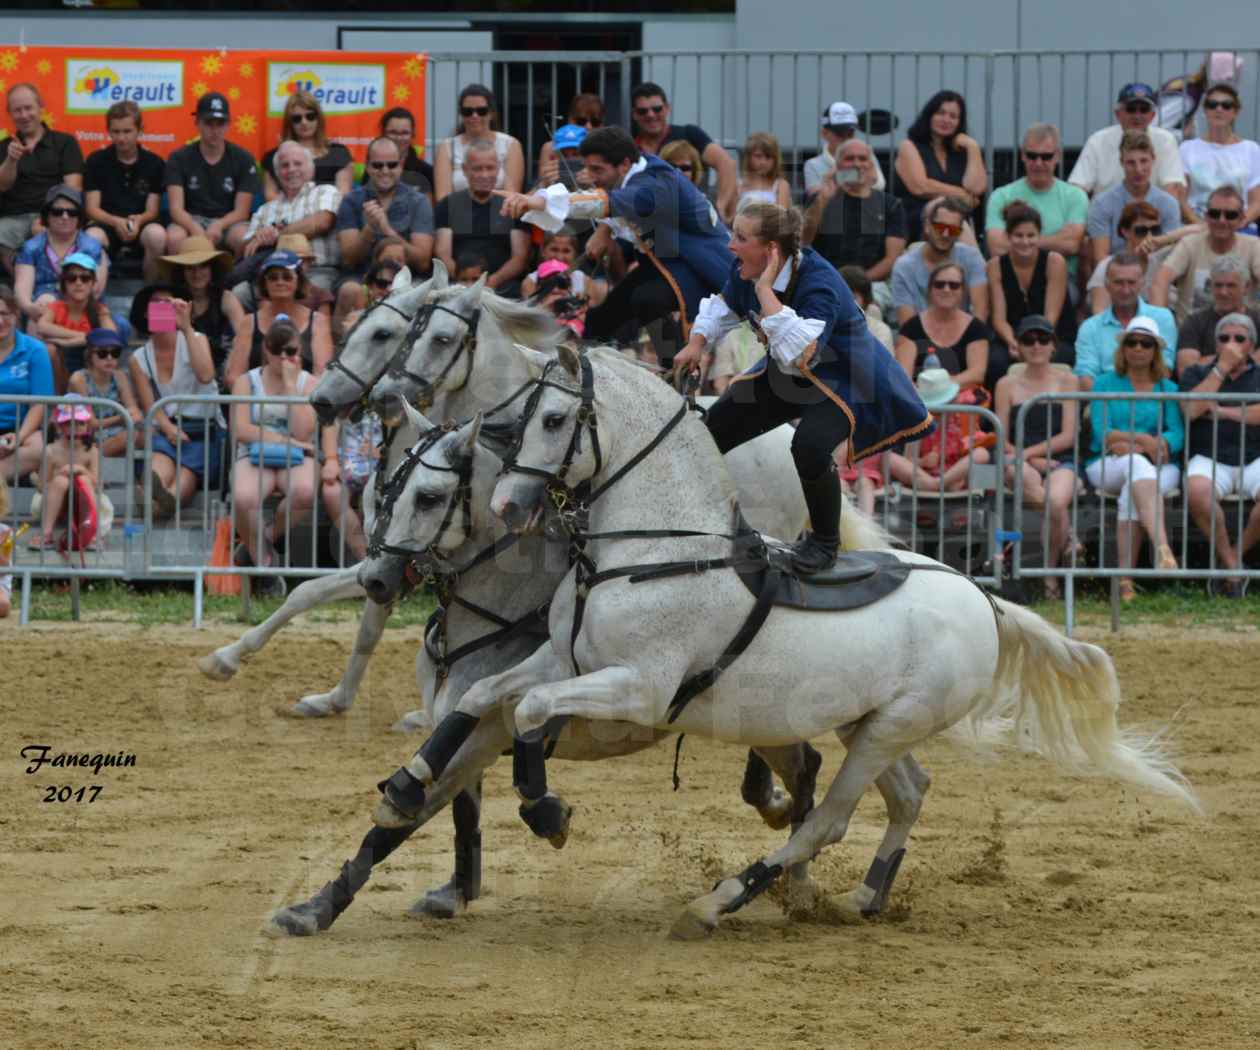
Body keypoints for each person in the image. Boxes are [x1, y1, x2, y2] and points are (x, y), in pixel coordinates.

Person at [672, 202, 932, 573]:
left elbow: (801, 350)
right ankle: (708, 527)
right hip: (788, 375)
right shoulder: (743, 268)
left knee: (809, 447)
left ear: (771, 249)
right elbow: (724, 306)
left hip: (844, 380)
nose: (730, 246)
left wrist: (765, 290)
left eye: (741, 238)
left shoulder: (818, 281)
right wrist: (697, 343)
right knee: (708, 434)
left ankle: (826, 543)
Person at [500, 126, 734, 365]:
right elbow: (616, 202)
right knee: (601, 319)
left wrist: (539, 201)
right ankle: (579, 375)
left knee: (647, 299)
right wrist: (605, 230)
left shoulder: (652, 185)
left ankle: (677, 372)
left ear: (623, 164)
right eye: (588, 168)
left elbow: (608, 203)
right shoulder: (637, 169)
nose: (591, 176)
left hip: (697, 265)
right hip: (665, 262)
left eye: (597, 169)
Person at [1084, 315, 1183, 601]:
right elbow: (1104, 434)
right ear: (1123, 347)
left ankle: (1124, 582)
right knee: (1137, 465)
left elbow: (1177, 433)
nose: (1138, 348)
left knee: (1135, 483)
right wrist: (1147, 442)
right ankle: (1162, 547)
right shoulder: (1103, 384)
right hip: (1106, 463)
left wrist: (1155, 444)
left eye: (1146, 343)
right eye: (1132, 342)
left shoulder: (1169, 389)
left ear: (1155, 351)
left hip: (1158, 465)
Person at [230, 317, 318, 597]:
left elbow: (304, 430)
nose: (283, 357)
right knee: (244, 498)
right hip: (254, 453)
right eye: (276, 349)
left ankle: (265, 539)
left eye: (290, 351)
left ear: (299, 352)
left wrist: (291, 386)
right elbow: (242, 430)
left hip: (296, 456)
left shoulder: (309, 383)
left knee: (304, 492)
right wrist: (286, 440)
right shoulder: (246, 382)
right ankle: (265, 565)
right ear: (265, 349)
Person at [994, 315, 1081, 597]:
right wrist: (1029, 459)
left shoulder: (1068, 381)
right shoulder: (1006, 384)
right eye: (1028, 340)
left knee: (1056, 502)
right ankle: (1068, 540)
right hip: (1020, 460)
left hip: (1060, 458)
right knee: (1024, 479)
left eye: (1043, 339)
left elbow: (1068, 435)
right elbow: (1000, 434)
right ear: (1018, 346)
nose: (1036, 346)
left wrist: (1030, 454)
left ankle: (1049, 573)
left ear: (1053, 346)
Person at [1179, 312, 1260, 597]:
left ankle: (1234, 559)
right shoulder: (1196, 373)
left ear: (1251, 344)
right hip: (1209, 456)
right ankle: (1231, 564)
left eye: (1239, 338)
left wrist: (1225, 411)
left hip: (1254, 457)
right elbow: (1192, 410)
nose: (1231, 344)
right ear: (1215, 343)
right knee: (1198, 491)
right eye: (1224, 338)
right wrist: (1221, 369)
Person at [128, 286, 223, 517]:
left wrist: (187, 327)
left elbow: (206, 375)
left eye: (168, 304)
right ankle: (151, 496)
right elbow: (150, 403)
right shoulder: (138, 358)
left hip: (203, 429)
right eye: (157, 304)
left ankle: (157, 506)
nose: (163, 308)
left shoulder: (197, 339)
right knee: (158, 467)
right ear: (145, 312)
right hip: (168, 428)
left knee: (186, 476)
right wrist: (170, 429)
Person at [334, 137, 434, 333]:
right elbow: (349, 259)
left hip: (407, 277)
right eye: (378, 165)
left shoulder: (418, 201)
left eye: (392, 164)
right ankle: (340, 357)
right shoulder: (351, 200)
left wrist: (386, 230)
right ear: (368, 167)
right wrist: (369, 230)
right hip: (361, 276)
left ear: (401, 165)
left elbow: (422, 260)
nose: (385, 171)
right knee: (348, 291)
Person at [984, 123, 1087, 279]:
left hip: (1060, 279)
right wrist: (1055, 239)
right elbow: (996, 247)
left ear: (1058, 156)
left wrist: (1017, 243)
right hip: (1011, 278)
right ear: (1022, 155)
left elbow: (1071, 244)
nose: (1038, 163)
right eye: (1032, 156)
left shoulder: (1075, 196)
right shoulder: (1001, 196)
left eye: (1046, 157)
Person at [0, 83, 84, 275]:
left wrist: (48, 216)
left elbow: (73, 189)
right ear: (10, 114)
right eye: (17, 110)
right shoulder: (4, 146)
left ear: (40, 108)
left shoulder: (65, 142)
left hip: (53, 215)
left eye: (28, 108)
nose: (23, 115)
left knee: (48, 234)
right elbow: (2, 186)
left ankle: (36, 288)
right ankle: (25, 286)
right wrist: (11, 160)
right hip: (12, 218)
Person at [803, 139, 906, 290]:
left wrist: (858, 283)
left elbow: (892, 258)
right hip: (825, 281)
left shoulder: (891, 205)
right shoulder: (820, 199)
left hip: (873, 285)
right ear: (837, 166)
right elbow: (804, 239)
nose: (857, 164)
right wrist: (823, 199)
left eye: (863, 159)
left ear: (871, 165)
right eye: (849, 159)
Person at [164, 93, 259, 255]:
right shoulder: (178, 157)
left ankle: (236, 280)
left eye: (220, 123)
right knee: (174, 238)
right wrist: (195, 228)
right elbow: (176, 209)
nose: (214, 130)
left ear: (228, 125)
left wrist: (219, 224)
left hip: (229, 221)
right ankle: (178, 281)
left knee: (243, 237)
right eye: (208, 123)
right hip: (191, 219)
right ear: (197, 123)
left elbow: (242, 212)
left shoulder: (244, 158)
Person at [82, 100, 167, 281]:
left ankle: (150, 295)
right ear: (109, 131)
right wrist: (115, 222)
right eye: (116, 131)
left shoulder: (155, 163)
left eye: (127, 131)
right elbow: (92, 208)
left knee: (157, 236)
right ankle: (95, 302)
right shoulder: (96, 161)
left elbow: (152, 210)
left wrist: (139, 220)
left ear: (139, 130)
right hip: (106, 224)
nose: (121, 138)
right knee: (91, 237)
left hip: (141, 225)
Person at [434, 139, 531, 295]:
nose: (484, 175)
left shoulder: (513, 205)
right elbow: (442, 253)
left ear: (499, 168)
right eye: (477, 169)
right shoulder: (448, 205)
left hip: (502, 289)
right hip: (458, 288)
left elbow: (519, 258)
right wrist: (466, 282)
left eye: (490, 168)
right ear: (465, 170)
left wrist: (491, 282)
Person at [1149, 186, 1260, 323]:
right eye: (1215, 214)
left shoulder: (1254, 246)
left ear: (1241, 219)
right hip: (1191, 336)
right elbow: (1161, 281)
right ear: (1206, 217)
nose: (1221, 220)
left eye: (1230, 215)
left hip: (1242, 335)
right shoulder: (1189, 244)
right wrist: (1160, 326)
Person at [629, 81, 737, 221]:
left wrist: (720, 207)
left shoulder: (690, 134)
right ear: (634, 114)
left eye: (657, 109)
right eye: (642, 111)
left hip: (696, 219)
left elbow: (726, 164)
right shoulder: (630, 148)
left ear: (667, 108)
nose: (650, 115)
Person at [242, 141, 342, 291]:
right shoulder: (265, 209)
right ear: (277, 173)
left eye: (297, 163)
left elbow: (323, 222)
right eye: (285, 165)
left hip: (317, 271)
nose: (291, 169)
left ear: (311, 169)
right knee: (239, 292)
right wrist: (259, 237)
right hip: (273, 276)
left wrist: (276, 235)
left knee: (310, 292)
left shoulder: (325, 191)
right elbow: (248, 248)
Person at [224, 251, 332, 388]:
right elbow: (234, 376)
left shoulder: (318, 321)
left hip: (303, 400)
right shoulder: (249, 322)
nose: (280, 282)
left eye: (287, 277)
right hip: (258, 401)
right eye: (273, 277)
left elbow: (322, 375)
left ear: (298, 281)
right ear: (265, 283)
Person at [894, 90, 988, 244]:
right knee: (954, 222)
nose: (946, 119)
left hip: (956, 223)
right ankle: (977, 265)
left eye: (953, 116)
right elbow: (922, 187)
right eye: (941, 113)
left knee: (956, 223)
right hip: (919, 224)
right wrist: (964, 196)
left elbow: (977, 188)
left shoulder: (963, 151)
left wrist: (973, 147)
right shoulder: (909, 146)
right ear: (929, 115)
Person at [1075, 254, 1178, 390]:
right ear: (1107, 284)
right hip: (1103, 403)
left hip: (1150, 402)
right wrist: (1116, 404)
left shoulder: (1162, 318)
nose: (1126, 290)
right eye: (1118, 282)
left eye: (1131, 282)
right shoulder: (1090, 327)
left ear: (1142, 284)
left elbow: (1164, 370)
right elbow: (1085, 377)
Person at [1069, 83, 1187, 201]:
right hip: (1106, 215)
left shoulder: (1166, 140)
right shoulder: (1097, 141)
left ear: (1152, 115)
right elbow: (1077, 188)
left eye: (1143, 110)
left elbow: (1173, 188)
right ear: (1118, 114)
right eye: (1131, 109)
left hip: (1152, 215)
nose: (1137, 116)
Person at [987, 204, 1072, 364]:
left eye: (1031, 235)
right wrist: (1013, 342)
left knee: (1063, 356)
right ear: (1008, 236)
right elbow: (999, 319)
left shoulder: (1054, 262)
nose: (1025, 242)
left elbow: (1051, 316)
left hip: (1049, 334)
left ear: (1039, 235)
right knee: (995, 361)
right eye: (1018, 235)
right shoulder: (995, 266)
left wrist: (1038, 344)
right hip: (1011, 336)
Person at [889, 367, 992, 493]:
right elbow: (908, 460)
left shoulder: (959, 418)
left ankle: (941, 483)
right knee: (890, 459)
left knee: (982, 453)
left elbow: (970, 446)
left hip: (953, 473)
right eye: (936, 410)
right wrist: (923, 461)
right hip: (925, 475)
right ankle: (934, 485)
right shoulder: (919, 424)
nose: (941, 413)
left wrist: (970, 443)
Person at [14, 185, 106, 322]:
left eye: (72, 212)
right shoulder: (31, 247)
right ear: (47, 215)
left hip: (82, 306)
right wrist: (30, 308)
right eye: (57, 211)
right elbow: (22, 290)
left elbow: (95, 291)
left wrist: (64, 307)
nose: (65, 217)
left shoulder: (92, 246)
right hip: (39, 308)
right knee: (45, 302)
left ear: (79, 217)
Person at [889, 196, 988, 325]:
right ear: (927, 227)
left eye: (953, 229)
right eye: (940, 227)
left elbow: (980, 313)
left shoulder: (972, 258)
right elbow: (908, 326)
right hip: (920, 339)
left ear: (959, 233)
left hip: (965, 337)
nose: (946, 234)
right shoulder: (904, 266)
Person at [159, 235, 246, 377]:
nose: (197, 273)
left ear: (213, 269)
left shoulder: (227, 298)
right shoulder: (165, 300)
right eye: (190, 268)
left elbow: (244, 336)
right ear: (181, 271)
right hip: (177, 371)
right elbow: (158, 346)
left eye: (203, 266)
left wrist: (232, 364)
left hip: (220, 371)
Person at [1087, 131, 1182, 261]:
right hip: (1116, 275)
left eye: (1144, 161)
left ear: (1153, 159)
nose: (1138, 169)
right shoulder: (1102, 203)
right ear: (1122, 162)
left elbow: (1172, 255)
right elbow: (1101, 259)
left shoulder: (1169, 204)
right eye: (1131, 163)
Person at [895, 260, 991, 388]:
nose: (946, 290)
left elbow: (977, 374)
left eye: (954, 285)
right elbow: (903, 376)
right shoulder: (911, 328)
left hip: (961, 399)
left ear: (963, 291)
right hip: (921, 399)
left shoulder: (976, 328)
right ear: (930, 289)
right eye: (939, 284)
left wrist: (939, 386)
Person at [1177, 82, 1260, 226]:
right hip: (1197, 226)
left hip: (1239, 227)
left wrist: (1237, 225)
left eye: (1226, 105)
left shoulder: (1251, 150)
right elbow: (1181, 198)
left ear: (1236, 112)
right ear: (1205, 110)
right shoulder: (1187, 149)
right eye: (1212, 104)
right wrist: (1199, 225)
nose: (1219, 109)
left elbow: (1256, 202)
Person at [34, 252, 116, 392]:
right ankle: (57, 401)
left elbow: (111, 336)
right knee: (49, 350)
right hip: (61, 372)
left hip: (90, 373)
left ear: (92, 283)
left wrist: (70, 342)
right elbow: (42, 327)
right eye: (72, 278)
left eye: (85, 278)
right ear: (64, 283)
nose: (78, 283)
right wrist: (84, 337)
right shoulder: (57, 307)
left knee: (103, 351)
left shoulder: (98, 309)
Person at [28, 397, 100, 551]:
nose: (76, 428)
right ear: (60, 426)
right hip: (54, 505)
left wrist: (82, 470)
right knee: (61, 481)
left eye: (81, 423)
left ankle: (91, 534)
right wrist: (59, 475)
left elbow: (97, 484)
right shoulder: (51, 450)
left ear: (87, 425)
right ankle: (46, 534)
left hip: (81, 505)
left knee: (84, 479)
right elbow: (41, 487)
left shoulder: (92, 451)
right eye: (70, 423)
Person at [1086, 201, 1178, 316]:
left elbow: (1202, 229)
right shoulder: (1107, 265)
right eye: (1141, 231)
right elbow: (1099, 313)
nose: (1149, 237)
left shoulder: (1162, 260)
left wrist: (1163, 240)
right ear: (1125, 232)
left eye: (1155, 230)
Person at [0, 285, 54, 482]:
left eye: (4, 313)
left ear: (15, 315)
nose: (0, 321)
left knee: (38, 447)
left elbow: (39, 404)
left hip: (21, 428)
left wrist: (19, 437)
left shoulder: (35, 350)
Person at [433, 84, 524, 201]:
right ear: (461, 113)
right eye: (467, 111)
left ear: (491, 113)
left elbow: (511, 196)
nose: (474, 116)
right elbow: (443, 198)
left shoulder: (510, 145)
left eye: (482, 111)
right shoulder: (447, 147)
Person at [1174, 256, 1260, 376]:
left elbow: (1195, 367)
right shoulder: (1194, 322)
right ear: (1211, 286)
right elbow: (1186, 371)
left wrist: (1211, 362)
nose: (1223, 292)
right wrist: (1241, 359)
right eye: (1218, 285)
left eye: (1231, 286)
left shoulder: (1258, 320)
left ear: (1246, 287)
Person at [261, 91, 354, 201]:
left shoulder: (338, 153)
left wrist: (318, 214)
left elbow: (342, 195)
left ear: (318, 119)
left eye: (310, 116)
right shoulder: (274, 156)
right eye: (297, 118)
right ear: (289, 123)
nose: (304, 122)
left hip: (329, 213)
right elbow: (270, 196)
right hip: (287, 214)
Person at [320, 405, 382, 565]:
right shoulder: (344, 392)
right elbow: (329, 422)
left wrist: (384, 451)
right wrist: (331, 460)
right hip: (348, 460)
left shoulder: (395, 390)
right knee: (332, 492)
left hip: (384, 462)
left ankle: (378, 559)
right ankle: (365, 560)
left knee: (379, 492)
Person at [67, 328, 141, 458]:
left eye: (115, 353)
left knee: (145, 435)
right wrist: (122, 417)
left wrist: (129, 415)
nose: (109, 358)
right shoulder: (78, 379)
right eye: (102, 353)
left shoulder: (120, 376)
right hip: (86, 438)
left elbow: (134, 411)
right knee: (130, 437)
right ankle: (88, 459)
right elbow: (91, 424)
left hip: (114, 435)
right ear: (89, 354)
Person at [803, 100, 887, 200]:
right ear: (824, 133)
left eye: (850, 133)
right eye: (840, 134)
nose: (846, 138)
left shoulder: (867, 154)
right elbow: (815, 197)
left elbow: (879, 185)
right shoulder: (813, 165)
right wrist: (857, 176)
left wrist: (833, 178)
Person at [521, 227, 604, 304]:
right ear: (543, 251)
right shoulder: (531, 282)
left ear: (575, 254)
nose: (560, 257)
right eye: (554, 249)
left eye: (566, 251)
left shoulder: (585, 282)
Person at [375, 107, 436, 197]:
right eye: (393, 132)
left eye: (404, 133)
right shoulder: (374, 167)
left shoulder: (426, 172)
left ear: (412, 135)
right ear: (383, 134)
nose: (399, 138)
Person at [733, 132, 791, 218]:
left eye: (768, 157)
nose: (763, 162)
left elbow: (782, 218)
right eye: (758, 156)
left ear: (775, 159)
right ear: (748, 157)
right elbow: (732, 217)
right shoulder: (738, 185)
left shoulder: (780, 185)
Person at [838, 265, 893, 351]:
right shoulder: (826, 329)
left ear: (865, 300)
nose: (847, 303)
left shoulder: (880, 331)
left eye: (853, 297)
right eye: (843, 296)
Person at [535, 124, 588, 191]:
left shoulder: (596, 173)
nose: (570, 159)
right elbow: (526, 199)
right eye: (563, 155)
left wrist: (594, 184)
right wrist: (543, 184)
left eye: (576, 154)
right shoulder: (550, 175)